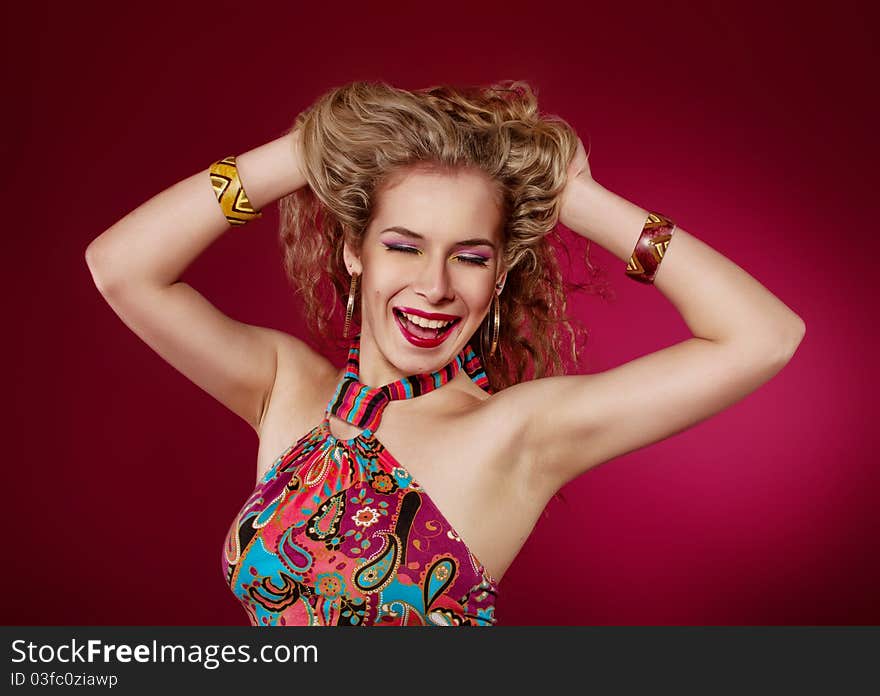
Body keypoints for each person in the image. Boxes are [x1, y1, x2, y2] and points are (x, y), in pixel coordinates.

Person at [85, 80, 805, 626]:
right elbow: (122, 268)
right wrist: (302, 153)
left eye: (469, 257)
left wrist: (579, 200)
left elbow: (765, 336)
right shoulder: (284, 386)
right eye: (403, 246)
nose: (434, 287)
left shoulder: (518, 435)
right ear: (353, 249)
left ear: (498, 275)